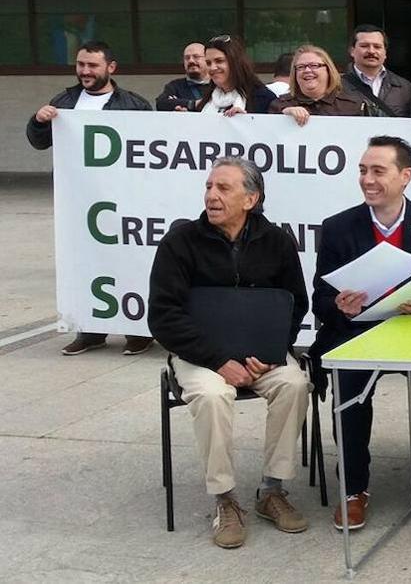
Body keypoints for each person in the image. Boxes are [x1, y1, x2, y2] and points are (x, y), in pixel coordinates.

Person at [147, 157, 312, 549]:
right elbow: (163, 317)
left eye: (223, 188)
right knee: (211, 393)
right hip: (201, 356)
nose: (211, 195)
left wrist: (271, 353)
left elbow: (294, 303)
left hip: (261, 356)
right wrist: (220, 360)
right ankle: (225, 499)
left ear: (251, 199)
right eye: (209, 187)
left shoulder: (277, 241)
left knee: (295, 383)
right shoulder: (180, 242)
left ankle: (272, 490)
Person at [310, 136, 411, 528]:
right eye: (363, 170)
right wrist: (338, 304)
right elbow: (320, 299)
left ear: (405, 176)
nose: (367, 179)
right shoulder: (337, 227)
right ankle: (354, 488)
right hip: (357, 331)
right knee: (349, 381)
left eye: (378, 171)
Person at [27, 40, 155, 357]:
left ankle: (136, 331)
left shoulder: (133, 104)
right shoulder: (65, 101)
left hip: (124, 202)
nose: (85, 71)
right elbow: (39, 142)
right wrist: (39, 121)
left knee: (128, 263)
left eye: (92, 65)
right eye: (81, 64)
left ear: (111, 67)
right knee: (83, 264)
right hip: (81, 205)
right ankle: (90, 330)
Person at [268, 45, 368, 123]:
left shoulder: (351, 105)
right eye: (301, 67)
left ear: (328, 70)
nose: (307, 70)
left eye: (314, 65)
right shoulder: (280, 104)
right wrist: (283, 115)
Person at [342, 24, 411, 117]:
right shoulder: (336, 86)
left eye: (377, 46)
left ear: (385, 53)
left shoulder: (406, 89)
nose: (371, 51)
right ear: (352, 51)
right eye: (364, 46)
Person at [189, 35, 275, 115]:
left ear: (235, 62)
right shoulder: (208, 98)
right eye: (208, 63)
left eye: (219, 61)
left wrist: (244, 120)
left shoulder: (262, 97)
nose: (212, 68)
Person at [155, 42, 210, 110]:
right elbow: (161, 103)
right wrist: (192, 104)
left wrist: (178, 102)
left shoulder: (217, 84)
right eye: (187, 58)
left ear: (207, 59)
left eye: (196, 57)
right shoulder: (175, 86)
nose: (191, 61)